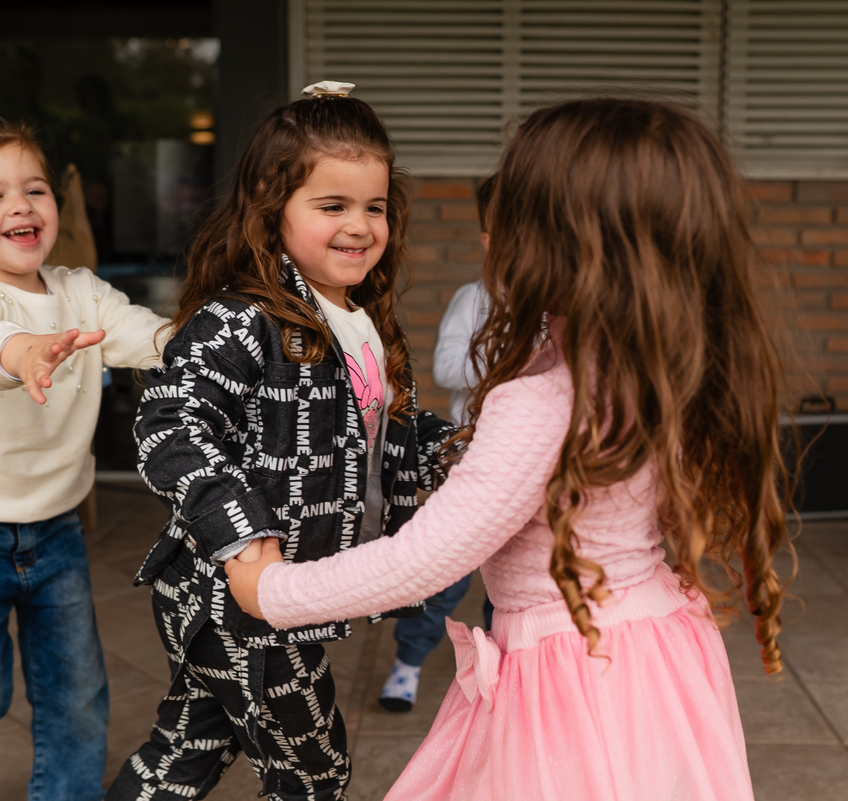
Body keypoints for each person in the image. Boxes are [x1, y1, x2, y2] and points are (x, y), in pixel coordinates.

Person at [227, 97, 793, 801]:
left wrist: (273, 591)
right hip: (651, 650)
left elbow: (428, 557)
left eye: (512, 214)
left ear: (565, 243)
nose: (491, 238)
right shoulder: (655, 363)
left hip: (574, 680)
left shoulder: (545, 398)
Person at [106, 83, 456, 801]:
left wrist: (460, 447)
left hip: (281, 596)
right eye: (332, 206)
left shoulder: (362, 320)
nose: (359, 225)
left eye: (374, 206)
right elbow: (169, 422)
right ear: (271, 211)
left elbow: (373, 437)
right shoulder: (241, 319)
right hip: (237, 597)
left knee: (185, 755)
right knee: (313, 771)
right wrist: (240, 533)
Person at [0, 116, 169, 801]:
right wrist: (22, 351)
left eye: (35, 188)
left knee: (75, 687)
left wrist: (195, 340)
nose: (20, 204)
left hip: (55, 527)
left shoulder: (78, 289)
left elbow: (137, 330)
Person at [379, 174, 495, 713]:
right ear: (486, 238)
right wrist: (516, 363)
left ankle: (510, 676)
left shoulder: (563, 308)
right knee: (445, 578)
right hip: (471, 468)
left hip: (539, 474)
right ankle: (409, 662)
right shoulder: (474, 299)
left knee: (513, 591)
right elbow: (448, 365)